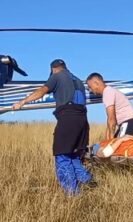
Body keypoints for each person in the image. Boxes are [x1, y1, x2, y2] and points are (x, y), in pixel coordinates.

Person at [13, 59, 93, 195]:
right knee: (73, 155)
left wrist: (23, 102)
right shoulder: (78, 80)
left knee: (62, 154)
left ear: (53, 69)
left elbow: (43, 90)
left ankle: (72, 194)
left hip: (68, 118)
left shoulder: (56, 76)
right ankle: (89, 183)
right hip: (83, 121)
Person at [86, 73, 133, 140]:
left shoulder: (108, 93)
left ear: (96, 83)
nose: (90, 90)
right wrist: (107, 138)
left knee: (119, 147)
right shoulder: (108, 91)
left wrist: (110, 140)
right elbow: (109, 119)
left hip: (128, 122)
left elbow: (111, 119)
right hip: (126, 123)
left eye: (90, 87)